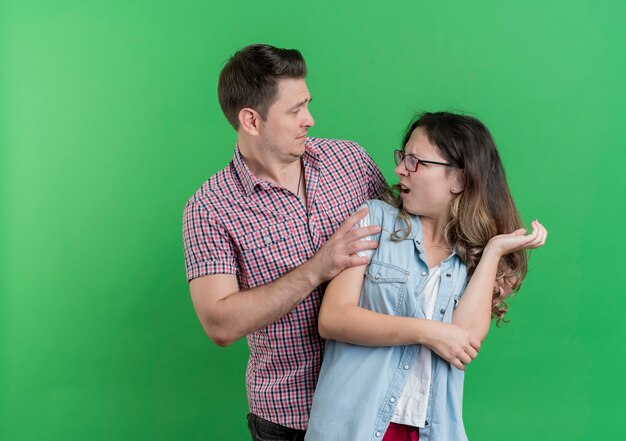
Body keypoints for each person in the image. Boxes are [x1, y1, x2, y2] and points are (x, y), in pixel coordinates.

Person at [182, 44, 387, 440]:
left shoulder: (350, 161)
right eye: (294, 111)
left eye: (307, 104)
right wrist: (317, 268)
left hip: (374, 404)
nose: (310, 119)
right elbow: (220, 324)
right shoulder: (209, 207)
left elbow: (409, 239)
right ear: (251, 121)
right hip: (289, 419)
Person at [305, 112, 548, 441]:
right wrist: (427, 332)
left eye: (416, 161)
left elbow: (464, 341)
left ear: (458, 180)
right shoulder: (374, 220)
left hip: (431, 430)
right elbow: (333, 318)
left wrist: (493, 251)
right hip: (355, 426)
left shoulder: (474, 258)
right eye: (403, 158)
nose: (400, 169)